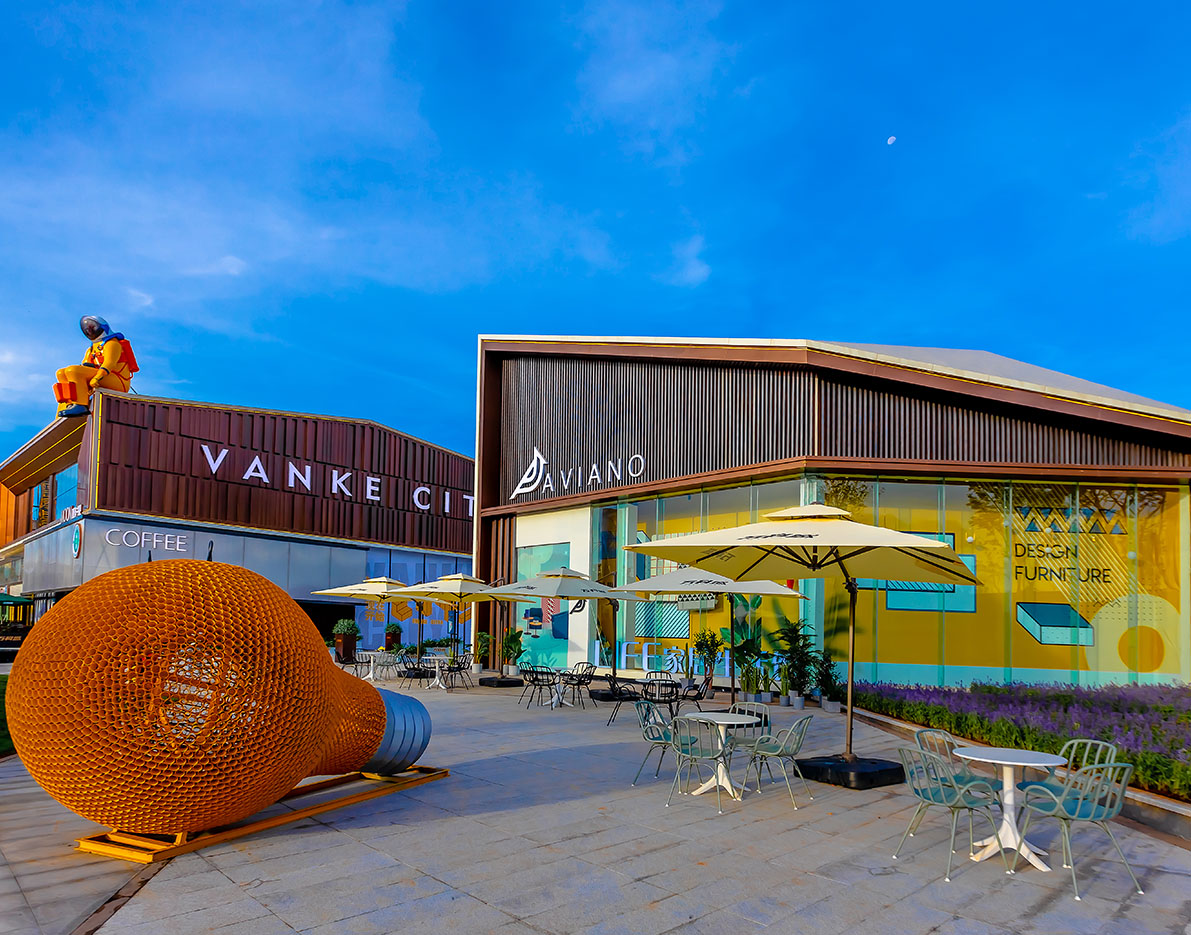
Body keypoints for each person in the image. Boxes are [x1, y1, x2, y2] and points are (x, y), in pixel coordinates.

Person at [53, 316, 138, 417]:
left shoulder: (112, 344)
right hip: (102, 376)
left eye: (92, 327)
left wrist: (97, 378)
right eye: (87, 329)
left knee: (74, 370)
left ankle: (81, 405)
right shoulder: (91, 349)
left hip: (117, 380)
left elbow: (109, 363)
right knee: (61, 373)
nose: (90, 331)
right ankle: (69, 403)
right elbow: (84, 365)